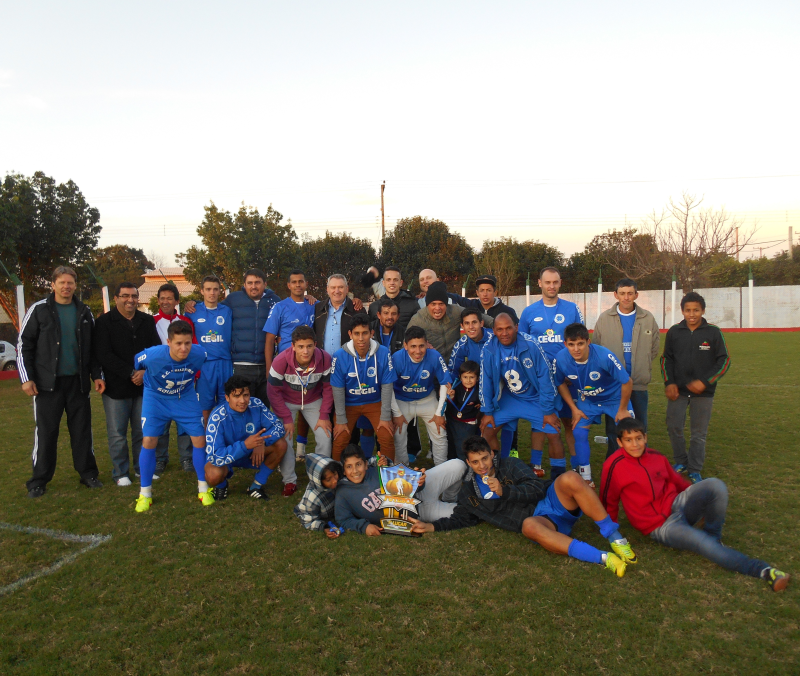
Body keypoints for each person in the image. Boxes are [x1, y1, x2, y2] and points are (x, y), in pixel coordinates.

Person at [601, 418, 789, 591]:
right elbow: (608, 500)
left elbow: (676, 481)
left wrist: (695, 496)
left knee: (716, 485)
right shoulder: (613, 465)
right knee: (703, 544)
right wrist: (612, 532)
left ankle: (713, 534)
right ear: (619, 442)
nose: (635, 444)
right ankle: (764, 570)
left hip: (676, 504)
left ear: (645, 437)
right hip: (660, 526)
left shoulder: (656, 456)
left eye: (639, 438)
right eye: (628, 440)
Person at [408, 437, 635, 578]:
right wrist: (431, 527)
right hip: (541, 522)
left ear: (492, 454)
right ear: (468, 462)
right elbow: (463, 518)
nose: (482, 465)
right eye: (475, 462)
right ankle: (604, 558)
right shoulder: (468, 492)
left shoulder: (509, 465)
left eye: (485, 458)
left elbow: (536, 488)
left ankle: (616, 538)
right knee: (529, 527)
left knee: (571, 478)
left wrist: (505, 491)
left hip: (552, 501)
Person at [18, 266, 105, 498]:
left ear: (76, 285)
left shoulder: (84, 311)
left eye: (70, 283)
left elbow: (93, 350)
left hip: (77, 384)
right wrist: (27, 379)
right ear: (53, 284)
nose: (66, 286)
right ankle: (39, 480)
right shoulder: (38, 310)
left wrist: (97, 375)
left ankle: (88, 474)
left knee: (82, 432)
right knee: (46, 433)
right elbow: (23, 346)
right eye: (62, 282)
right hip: (47, 385)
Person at [133, 321, 211, 512]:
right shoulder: (153, 356)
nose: (183, 348)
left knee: (199, 439)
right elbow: (137, 361)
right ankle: (145, 494)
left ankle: (203, 489)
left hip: (184, 397)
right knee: (149, 440)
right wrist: (142, 372)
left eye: (187, 343)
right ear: (168, 342)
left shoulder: (200, 353)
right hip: (156, 398)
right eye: (178, 343)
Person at [518, 267, 584, 478]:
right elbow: (522, 346)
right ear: (539, 283)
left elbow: (580, 342)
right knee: (540, 422)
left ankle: (577, 468)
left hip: (567, 377)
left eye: (555, 282)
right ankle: (536, 466)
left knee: (570, 422)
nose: (551, 286)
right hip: (539, 379)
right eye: (547, 282)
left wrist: (573, 371)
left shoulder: (572, 309)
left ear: (560, 283)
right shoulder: (529, 312)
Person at [93, 281, 160, 486]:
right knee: (117, 433)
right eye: (125, 296)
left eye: (133, 296)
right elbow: (104, 354)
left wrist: (143, 372)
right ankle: (121, 473)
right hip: (116, 387)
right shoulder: (104, 322)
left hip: (143, 386)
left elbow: (155, 350)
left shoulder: (147, 321)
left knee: (142, 431)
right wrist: (131, 372)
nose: (130, 300)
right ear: (116, 298)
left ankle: (142, 469)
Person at [479, 313, 564, 474]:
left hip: (536, 399)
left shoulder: (531, 344)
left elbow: (545, 378)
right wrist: (487, 411)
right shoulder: (489, 348)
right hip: (511, 398)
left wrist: (547, 410)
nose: (505, 333)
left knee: (554, 433)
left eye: (508, 328)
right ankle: (499, 470)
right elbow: (486, 381)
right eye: (500, 329)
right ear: (494, 331)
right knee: (486, 432)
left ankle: (557, 477)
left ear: (516, 327)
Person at [661, 292, 731, 484]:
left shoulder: (713, 332)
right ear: (682, 311)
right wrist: (670, 382)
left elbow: (724, 361)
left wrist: (705, 381)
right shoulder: (675, 332)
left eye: (696, 310)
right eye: (688, 310)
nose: (692, 314)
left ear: (703, 311)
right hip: (679, 391)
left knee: (698, 434)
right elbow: (667, 359)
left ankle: (694, 469)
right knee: (674, 426)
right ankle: (681, 461)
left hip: (704, 393)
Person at [554, 323, 633, 487]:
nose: (576, 349)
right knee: (579, 432)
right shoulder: (561, 358)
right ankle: (585, 477)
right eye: (571, 344)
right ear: (565, 344)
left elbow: (627, 382)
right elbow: (560, 383)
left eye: (580, 343)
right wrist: (574, 409)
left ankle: (633, 473)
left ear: (588, 342)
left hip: (614, 399)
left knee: (630, 433)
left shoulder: (604, 356)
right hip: (588, 401)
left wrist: (623, 408)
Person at [186, 268, 281, 405]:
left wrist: (308, 298)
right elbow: (212, 306)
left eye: (257, 282)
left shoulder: (275, 301)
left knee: (263, 408)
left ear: (265, 284)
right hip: (241, 366)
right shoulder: (233, 299)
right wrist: (193, 302)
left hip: (266, 365)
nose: (253, 286)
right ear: (244, 284)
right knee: (241, 407)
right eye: (250, 283)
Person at [592, 278, 660, 457]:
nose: (626, 297)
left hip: (637, 383)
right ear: (616, 295)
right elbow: (597, 348)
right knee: (615, 428)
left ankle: (639, 463)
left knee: (639, 426)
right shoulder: (605, 318)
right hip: (614, 385)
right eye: (622, 293)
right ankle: (615, 462)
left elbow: (654, 348)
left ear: (636, 295)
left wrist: (641, 365)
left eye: (630, 293)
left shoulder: (647, 318)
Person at [334, 444, 466, 535]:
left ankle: (449, 497)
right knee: (464, 512)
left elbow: (407, 485)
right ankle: (452, 503)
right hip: (421, 512)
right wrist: (364, 527)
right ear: (344, 471)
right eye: (349, 467)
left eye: (358, 464)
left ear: (366, 464)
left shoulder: (379, 469)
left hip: (423, 491)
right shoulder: (343, 493)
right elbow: (343, 519)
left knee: (458, 464)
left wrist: (419, 482)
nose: (355, 471)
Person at [267, 325, 334, 494]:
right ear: (293, 346)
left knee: (325, 435)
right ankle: (289, 480)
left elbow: (328, 388)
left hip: (313, 400)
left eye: (309, 346)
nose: (306, 351)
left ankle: (321, 475)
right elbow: (273, 392)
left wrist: (324, 415)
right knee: (286, 438)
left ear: (315, 344)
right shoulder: (280, 360)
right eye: (301, 347)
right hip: (286, 402)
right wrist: (286, 418)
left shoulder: (325, 359)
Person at [203, 375, 288, 501]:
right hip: (230, 457)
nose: (242, 401)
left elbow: (278, 427)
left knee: (281, 444)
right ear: (227, 398)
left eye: (246, 395)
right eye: (236, 396)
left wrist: (261, 443)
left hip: (252, 452)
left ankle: (256, 486)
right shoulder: (217, 417)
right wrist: (245, 446)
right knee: (212, 475)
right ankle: (222, 486)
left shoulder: (256, 404)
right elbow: (215, 456)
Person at [329, 313, 398, 461]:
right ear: (350, 334)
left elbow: (387, 385)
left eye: (365, 333)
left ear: (371, 333)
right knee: (340, 437)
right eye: (357, 334)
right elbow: (338, 389)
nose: (361, 338)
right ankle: (336, 475)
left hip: (374, 401)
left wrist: (385, 416)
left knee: (386, 435)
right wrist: (341, 419)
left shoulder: (383, 352)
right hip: (349, 403)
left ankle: (388, 476)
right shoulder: (339, 355)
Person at [152, 283, 197, 475]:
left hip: (184, 380)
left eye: (169, 298)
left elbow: (193, 347)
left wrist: (194, 374)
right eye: (162, 298)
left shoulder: (186, 321)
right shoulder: (151, 321)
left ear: (177, 301)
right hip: (160, 381)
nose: (165, 302)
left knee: (184, 422)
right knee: (161, 423)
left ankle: (186, 458)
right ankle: (160, 459)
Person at [391, 326, 452, 466]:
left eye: (421, 346)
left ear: (427, 344)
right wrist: (397, 413)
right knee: (398, 436)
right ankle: (402, 471)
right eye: (413, 346)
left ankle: (441, 470)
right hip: (402, 400)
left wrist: (439, 412)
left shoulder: (434, 355)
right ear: (405, 345)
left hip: (427, 399)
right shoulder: (396, 358)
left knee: (440, 432)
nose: (417, 351)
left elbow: (445, 383)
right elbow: (388, 388)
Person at [407, 281, 493, 360]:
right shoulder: (418, 319)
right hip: (431, 366)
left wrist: (497, 325)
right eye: (433, 304)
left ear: (446, 304)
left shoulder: (455, 311)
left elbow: (478, 316)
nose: (437, 308)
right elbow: (406, 343)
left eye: (441, 304)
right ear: (427, 305)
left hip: (454, 364)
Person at [192, 275, 233, 425]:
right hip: (204, 365)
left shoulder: (228, 311)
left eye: (215, 289)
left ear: (220, 292)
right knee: (205, 407)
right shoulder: (192, 311)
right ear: (202, 291)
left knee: (226, 406)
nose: (212, 293)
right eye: (208, 289)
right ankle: (205, 445)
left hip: (225, 363)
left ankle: (222, 442)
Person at [263, 269, 316, 373]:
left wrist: (355, 301)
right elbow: (269, 340)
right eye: (294, 282)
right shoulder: (279, 307)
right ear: (289, 285)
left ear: (306, 284)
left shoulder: (315, 305)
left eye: (301, 281)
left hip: (310, 361)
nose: (298, 285)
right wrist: (269, 369)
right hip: (286, 361)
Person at [293, 454, 344, 538]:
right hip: (319, 514)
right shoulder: (312, 497)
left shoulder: (338, 480)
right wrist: (325, 528)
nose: (334, 481)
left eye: (335, 474)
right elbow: (308, 521)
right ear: (319, 481)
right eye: (328, 479)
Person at [445, 360, 482, 461]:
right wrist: (451, 396)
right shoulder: (456, 387)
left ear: (478, 378)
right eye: (465, 377)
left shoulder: (480, 390)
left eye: (472, 377)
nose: (468, 381)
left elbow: (484, 403)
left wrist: (481, 404)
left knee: (463, 447)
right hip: (453, 421)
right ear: (460, 377)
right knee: (451, 445)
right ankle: (452, 467)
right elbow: (451, 404)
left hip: (468, 424)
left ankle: (466, 470)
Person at [447, 308, 493, 380]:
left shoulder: (494, 338)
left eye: (474, 322)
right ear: (462, 326)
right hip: (475, 384)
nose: (471, 327)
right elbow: (453, 371)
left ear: (481, 323)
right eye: (467, 323)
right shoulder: (461, 345)